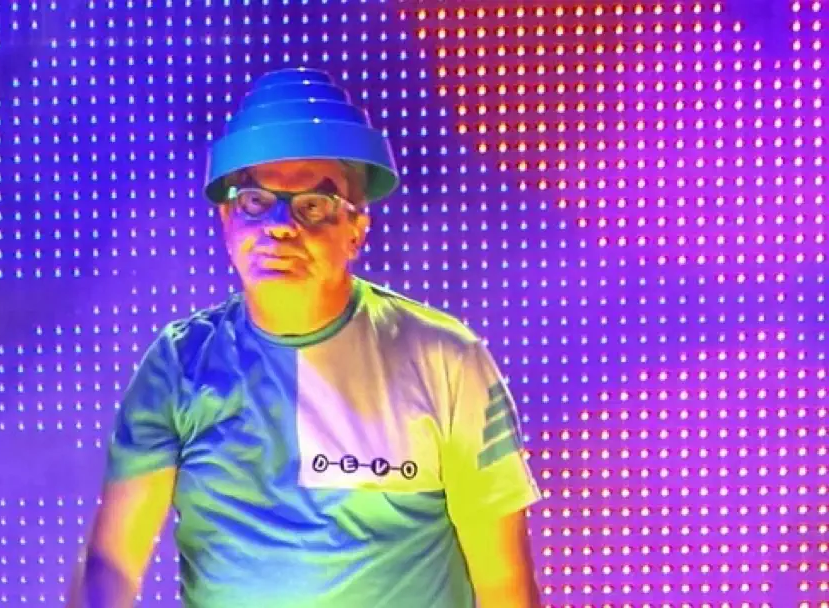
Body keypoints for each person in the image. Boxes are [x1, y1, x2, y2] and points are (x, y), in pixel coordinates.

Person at [67, 67, 543, 608]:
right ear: (225, 217)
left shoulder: (446, 358)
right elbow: (112, 562)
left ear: (356, 228)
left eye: (312, 205)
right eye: (255, 200)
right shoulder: (180, 363)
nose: (280, 225)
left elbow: (504, 582)